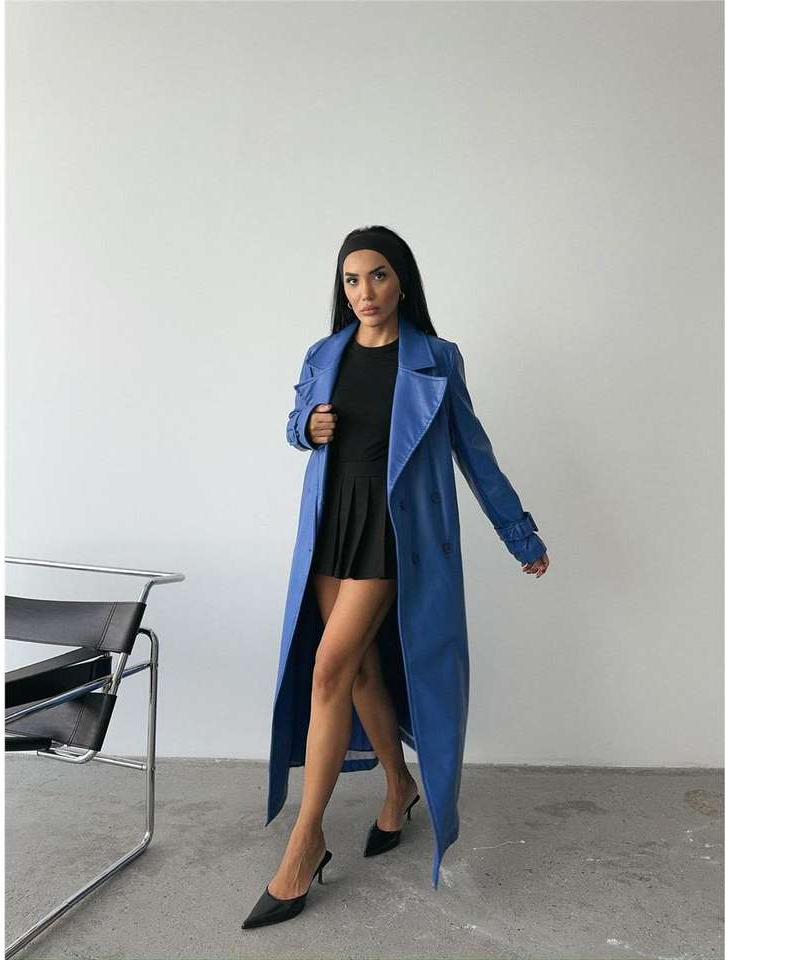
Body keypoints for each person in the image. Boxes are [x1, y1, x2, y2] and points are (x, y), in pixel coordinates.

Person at [243, 226, 550, 929]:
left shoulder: (436, 359)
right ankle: (397, 787)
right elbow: (294, 424)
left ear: (402, 280)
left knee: (328, 669)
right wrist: (306, 428)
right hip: (331, 524)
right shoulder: (324, 353)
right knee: (357, 673)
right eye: (352, 280)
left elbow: (474, 453)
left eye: (378, 275)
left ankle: (305, 842)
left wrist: (518, 533)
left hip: (393, 529)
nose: (365, 292)